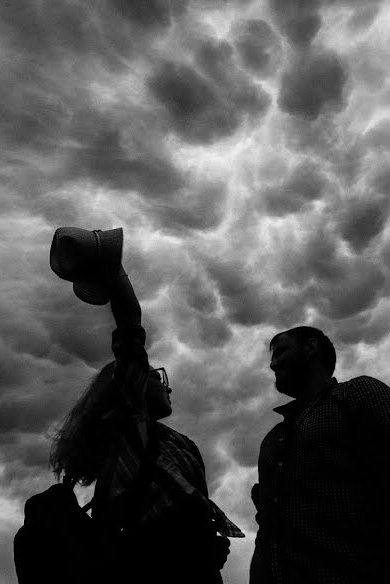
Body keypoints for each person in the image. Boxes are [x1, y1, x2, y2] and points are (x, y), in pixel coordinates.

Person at [49, 227, 243, 584]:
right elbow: (130, 326)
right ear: (129, 387)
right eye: (155, 377)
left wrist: (204, 546)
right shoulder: (124, 431)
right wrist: (114, 271)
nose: (165, 386)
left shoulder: (178, 443)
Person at [250, 326, 390, 584]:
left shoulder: (360, 394)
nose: (273, 365)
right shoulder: (272, 441)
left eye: (281, 352)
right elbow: (266, 534)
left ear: (311, 346)